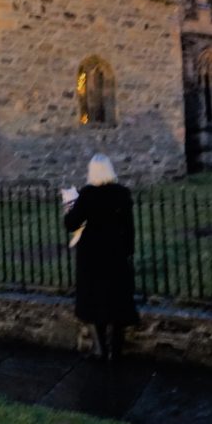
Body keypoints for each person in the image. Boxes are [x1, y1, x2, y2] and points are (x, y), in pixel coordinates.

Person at [64, 153, 138, 360]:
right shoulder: (122, 193)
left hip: (92, 255)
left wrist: (69, 209)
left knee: (93, 299)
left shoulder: (87, 195)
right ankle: (115, 350)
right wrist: (128, 252)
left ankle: (100, 349)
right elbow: (129, 227)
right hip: (116, 253)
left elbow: (71, 223)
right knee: (117, 299)